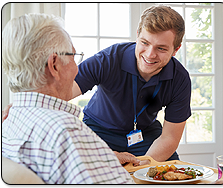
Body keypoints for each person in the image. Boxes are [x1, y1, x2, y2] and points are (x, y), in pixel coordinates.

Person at [2, 13, 135, 184]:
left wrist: (98, 158)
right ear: (54, 64)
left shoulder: (8, 120)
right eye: (73, 57)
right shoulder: (67, 132)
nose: (77, 69)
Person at [71, 5, 191, 162]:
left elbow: (169, 138)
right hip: (99, 130)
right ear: (137, 35)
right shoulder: (107, 60)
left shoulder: (180, 79)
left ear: (176, 49)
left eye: (161, 48)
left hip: (145, 133)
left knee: (168, 174)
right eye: (145, 43)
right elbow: (59, 91)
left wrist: (140, 166)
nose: (150, 55)